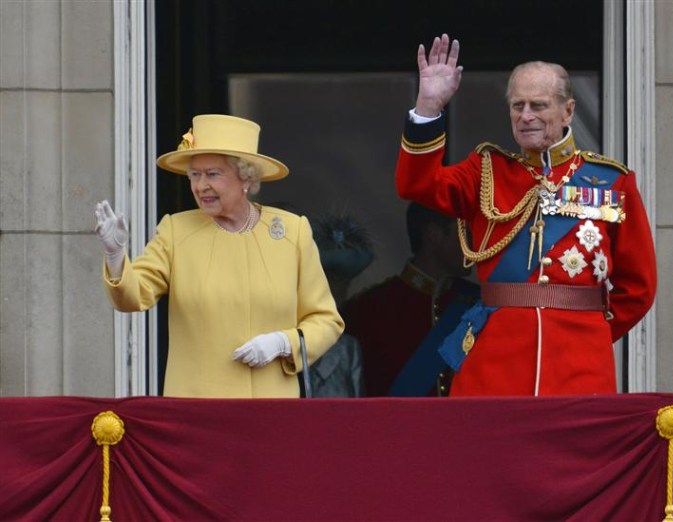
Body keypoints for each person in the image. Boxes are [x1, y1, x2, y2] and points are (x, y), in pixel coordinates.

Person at [395, 34, 657, 397]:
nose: (527, 116)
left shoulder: (614, 182)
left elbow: (639, 287)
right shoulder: (485, 171)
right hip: (493, 371)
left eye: (539, 105)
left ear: (568, 110)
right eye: (518, 106)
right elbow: (416, 185)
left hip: (580, 369)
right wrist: (427, 108)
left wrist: (590, 332)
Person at [95, 114, 344, 398]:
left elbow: (326, 321)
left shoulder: (291, 231)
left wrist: (283, 343)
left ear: (246, 177)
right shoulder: (176, 231)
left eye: (213, 174)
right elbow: (133, 297)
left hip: (271, 412)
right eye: (194, 175)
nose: (201, 186)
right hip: (197, 412)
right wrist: (115, 256)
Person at [340, 202, 479, 397]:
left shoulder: (478, 304)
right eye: (467, 234)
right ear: (433, 234)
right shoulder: (369, 310)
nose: (476, 245)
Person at [305, 211, 375, 398]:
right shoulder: (283, 341)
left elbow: (358, 412)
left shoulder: (348, 349)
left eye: (343, 282)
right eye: (330, 279)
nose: (336, 289)